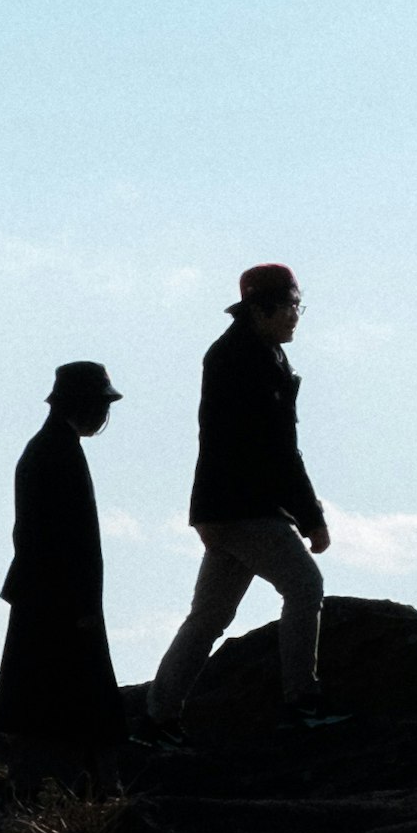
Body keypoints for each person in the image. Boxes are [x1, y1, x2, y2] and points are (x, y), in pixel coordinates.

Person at [146, 261, 334, 734]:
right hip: (244, 506)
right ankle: (301, 702)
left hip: (222, 507)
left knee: (209, 616)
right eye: (291, 305)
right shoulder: (251, 359)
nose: (296, 315)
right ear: (263, 308)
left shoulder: (246, 353)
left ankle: (159, 718)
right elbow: (276, 448)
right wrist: (311, 517)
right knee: (304, 586)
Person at [0, 358, 124, 759]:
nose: (103, 414)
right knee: (71, 706)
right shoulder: (59, 452)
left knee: (40, 701)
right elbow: (69, 538)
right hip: (60, 596)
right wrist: (83, 603)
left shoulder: (46, 448)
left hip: (44, 591)